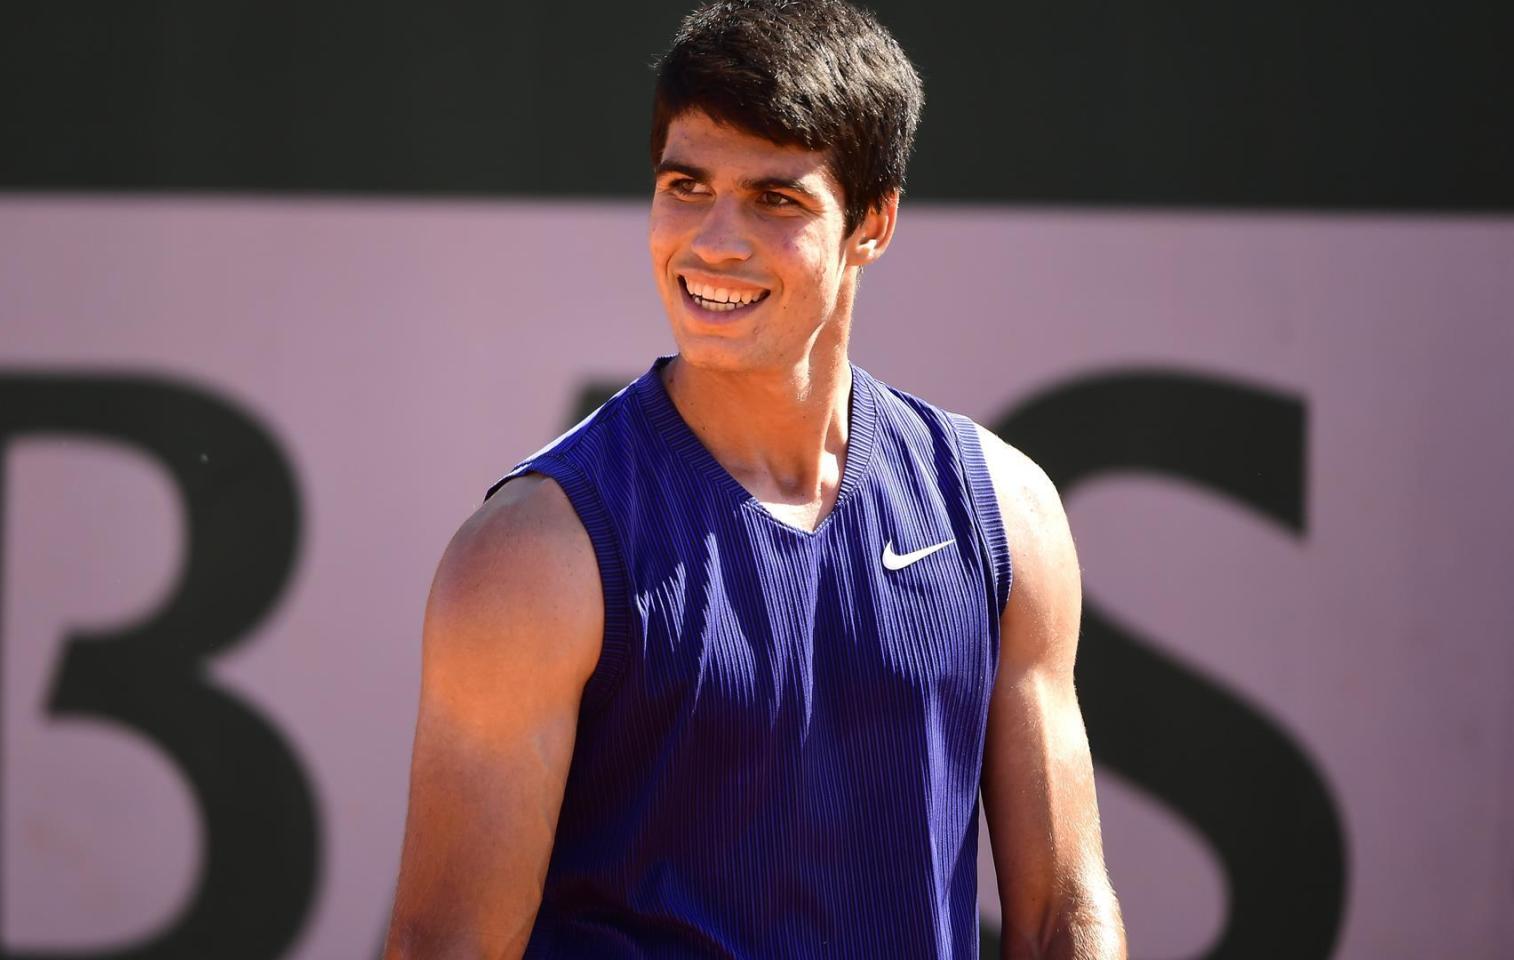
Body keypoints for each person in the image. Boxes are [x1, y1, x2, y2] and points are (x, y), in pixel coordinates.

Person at [385, 1, 1124, 956]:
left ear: (874, 223)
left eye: (776, 199)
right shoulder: (529, 557)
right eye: (685, 185)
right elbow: (446, 946)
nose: (714, 242)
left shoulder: (1005, 513)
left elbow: (1066, 913)